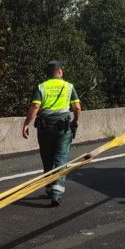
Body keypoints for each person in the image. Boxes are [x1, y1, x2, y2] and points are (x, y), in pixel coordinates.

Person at [22, 61, 81, 207]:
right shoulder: (69, 86)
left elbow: (35, 106)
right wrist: (75, 121)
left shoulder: (41, 87)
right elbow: (77, 108)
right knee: (61, 158)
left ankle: (49, 187)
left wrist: (26, 123)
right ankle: (57, 193)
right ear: (60, 72)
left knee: (47, 157)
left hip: (45, 127)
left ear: (48, 73)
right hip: (63, 127)